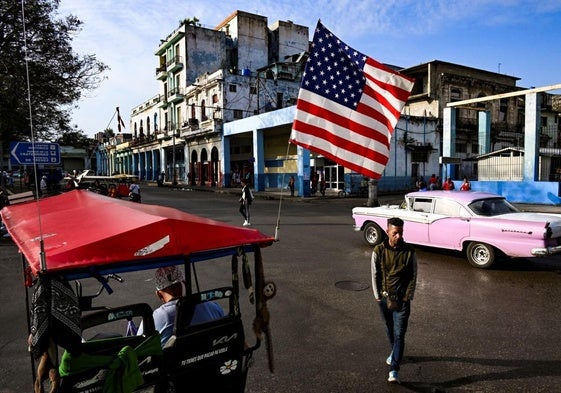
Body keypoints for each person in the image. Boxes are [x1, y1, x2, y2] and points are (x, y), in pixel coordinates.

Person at [371, 217, 417, 384]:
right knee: (389, 329)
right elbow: (375, 273)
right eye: (395, 233)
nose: (398, 236)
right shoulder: (378, 250)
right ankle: (394, 353)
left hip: (402, 300)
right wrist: (377, 296)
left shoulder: (409, 252)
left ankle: (394, 369)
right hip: (384, 298)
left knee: (399, 334)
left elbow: (413, 276)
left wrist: (407, 296)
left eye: (401, 233)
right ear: (388, 231)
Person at [138, 266, 224, 347]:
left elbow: (139, 345)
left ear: (159, 295)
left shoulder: (158, 317)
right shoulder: (212, 306)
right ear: (185, 285)